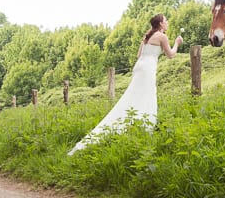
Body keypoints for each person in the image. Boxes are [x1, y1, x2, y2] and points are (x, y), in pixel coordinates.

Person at [68, 14, 182, 155]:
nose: (167, 23)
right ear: (160, 24)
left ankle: (134, 122)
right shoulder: (162, 36)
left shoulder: (147, 36)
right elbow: (170, 55)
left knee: (134, 96)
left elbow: (139, 55)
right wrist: (177, 42)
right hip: (148, 69)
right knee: (147, 96)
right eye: (166, 21)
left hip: (139, 66)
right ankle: (145, 129)